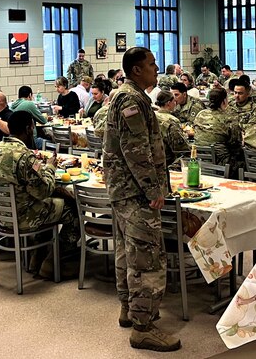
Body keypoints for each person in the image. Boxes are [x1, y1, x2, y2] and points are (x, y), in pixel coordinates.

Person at [102, 47, 181, 352]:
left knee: (127, 253)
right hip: (136, 192)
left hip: (125, 190)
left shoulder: (126, 95)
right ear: (136, 70)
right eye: (151, 64)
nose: (156, 68)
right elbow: (136, 151)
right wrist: (154, 190)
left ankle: (129, 310)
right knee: (147, 261)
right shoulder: (132, 98)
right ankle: (143, 328)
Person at [0, 110, 80, 279]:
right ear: (28, 128)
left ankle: (37, 259)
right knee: (70, 208)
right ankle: (55, 262)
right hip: (23, 216)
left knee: (48, 205)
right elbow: (43, 190)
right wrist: (50, 167)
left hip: (0, 215)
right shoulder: (25, 157)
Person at [193, 88, 242, 166]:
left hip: (200, 159)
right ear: (224, 101)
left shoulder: (201, 114)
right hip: (222, 162)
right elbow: (236, 143)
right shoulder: (229, 118)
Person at [153, 91, 191, 168]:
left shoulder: (153, 115)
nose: (175, 103)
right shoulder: (171, 120)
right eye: (174, 101)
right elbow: (181, 148)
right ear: (168, 103)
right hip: (168, 161)